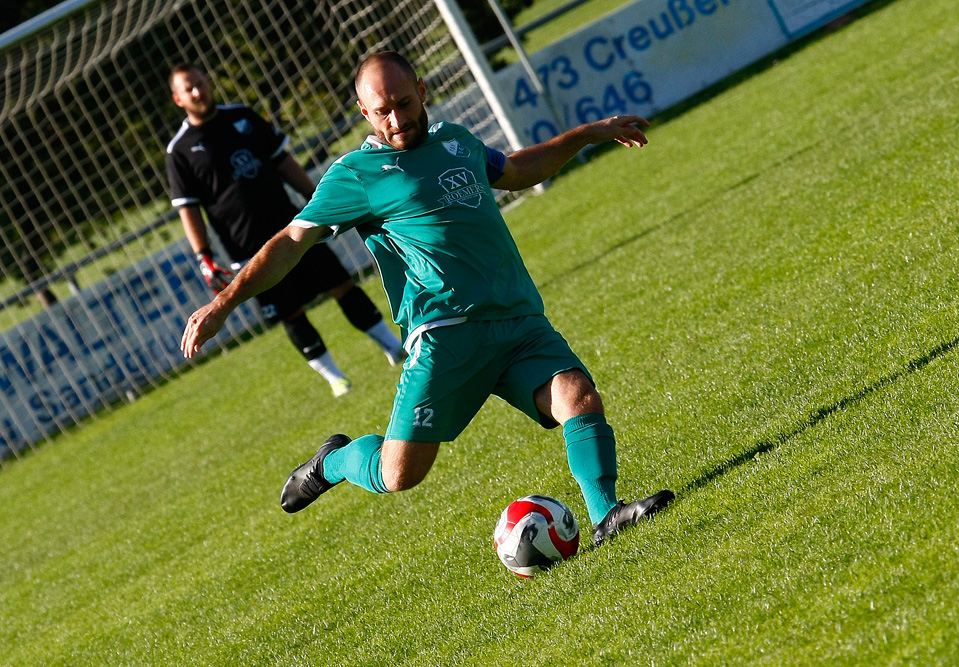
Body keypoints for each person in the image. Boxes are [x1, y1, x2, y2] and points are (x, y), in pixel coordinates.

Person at [181, 52, 673, 546]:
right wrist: (224, 301)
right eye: (382, 111)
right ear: (363, 112)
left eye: (404, 102)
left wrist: (588, 134)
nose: (396, 119)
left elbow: (517, 170)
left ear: (421, 89)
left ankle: (606, 515)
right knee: (400, 474)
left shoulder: (457, 140)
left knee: (578, 397)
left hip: (517, 318)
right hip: (444, 337)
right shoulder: (357, 174)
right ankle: (334, 461)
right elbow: (291, 241)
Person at [166, 63, 405, 398]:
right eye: (188, 89)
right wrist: (203, 256)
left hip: (295, 227)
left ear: (209, 83)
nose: (197, 92)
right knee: (289, 312)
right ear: (178, 99)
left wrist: (317, 199)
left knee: (342, 285)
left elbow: (283, 160)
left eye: (200, 83)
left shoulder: (244, 117)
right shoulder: (179, 151)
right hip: (245, 247)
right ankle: (336, 378)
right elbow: (188, 209)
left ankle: (393, 348)